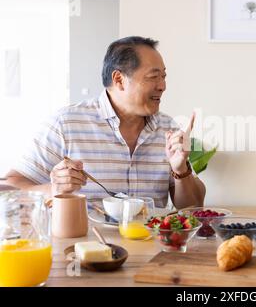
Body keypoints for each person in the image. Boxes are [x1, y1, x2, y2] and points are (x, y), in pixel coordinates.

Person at [5, 36, 205, 209]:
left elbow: (193, 207)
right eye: (153, 77)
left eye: (163, 76)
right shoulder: (65, 124)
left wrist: (181, 171)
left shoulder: (168, 128)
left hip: (152, 251)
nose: (162, 86)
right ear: (119, 79)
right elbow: (9, 186)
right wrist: (54, 189)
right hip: (83, 249)